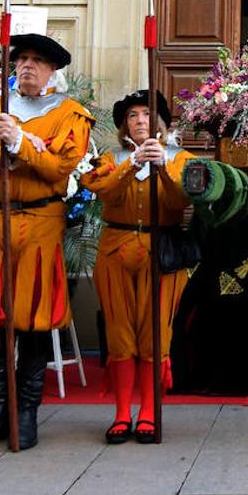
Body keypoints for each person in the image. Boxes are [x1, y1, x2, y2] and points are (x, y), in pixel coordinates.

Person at [0, 33, 93, 450]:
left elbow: (59, 168)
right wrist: (15, 151)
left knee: (31, 320)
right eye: (22, 60)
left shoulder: (71, 115)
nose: (27, 66)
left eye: (37, 61)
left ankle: (27, 410)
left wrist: (16, 144)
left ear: (53, 70)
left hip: (40, 225)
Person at [81, 91, 194, 444]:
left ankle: (148, 411)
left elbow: (182, 201)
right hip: (116, 252)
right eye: (132, 115)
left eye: (147, 114)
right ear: (123, 125)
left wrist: (161, 167)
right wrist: (132, 165)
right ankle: (120, 413)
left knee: (154, 334)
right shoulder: (109, 158)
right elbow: (104, 193)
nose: (141, 120)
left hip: (162, 254)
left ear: (159, 122)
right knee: (120, 333)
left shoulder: (180, 158)